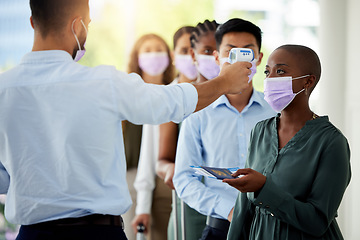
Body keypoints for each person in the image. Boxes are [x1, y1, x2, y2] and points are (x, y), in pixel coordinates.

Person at [0, 0, 254, 239]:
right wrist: (224, 82)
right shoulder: (102, 83)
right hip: (98, 233)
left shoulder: (3, 90)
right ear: (77, 25)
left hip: (32, 233)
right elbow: (172, 102)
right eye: (87, 24)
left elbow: (3, 179)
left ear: (33, 21)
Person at [224, 44, 351, 240]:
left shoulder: (331, 142)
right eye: (267, 72)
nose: (270, 79)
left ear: (308, 81)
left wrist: (264, 188)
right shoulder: (260, 131)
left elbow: (317, 222)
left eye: (281, 71)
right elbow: (243, 206)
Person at [173, 18, 276, 240]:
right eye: (231, 52)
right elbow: (183, 178)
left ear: (258, 58)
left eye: (247, 52)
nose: (239, 60)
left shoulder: (275, 112)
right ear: (217, 57)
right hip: (219, 227)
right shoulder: (198, 113)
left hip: (270, 226)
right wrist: (228, 209)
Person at [157, 23, 213, 240]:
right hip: (189, 203)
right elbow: (161, 160)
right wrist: (172, 170)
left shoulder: (232, 99)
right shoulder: (174, 99)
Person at [128, 33, 174, 240]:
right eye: (147, 50)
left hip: (165, 179)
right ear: (137, 57)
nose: (154, 55)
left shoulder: (174, 96)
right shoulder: (126, 96)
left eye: (159, 49)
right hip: (131, 180)